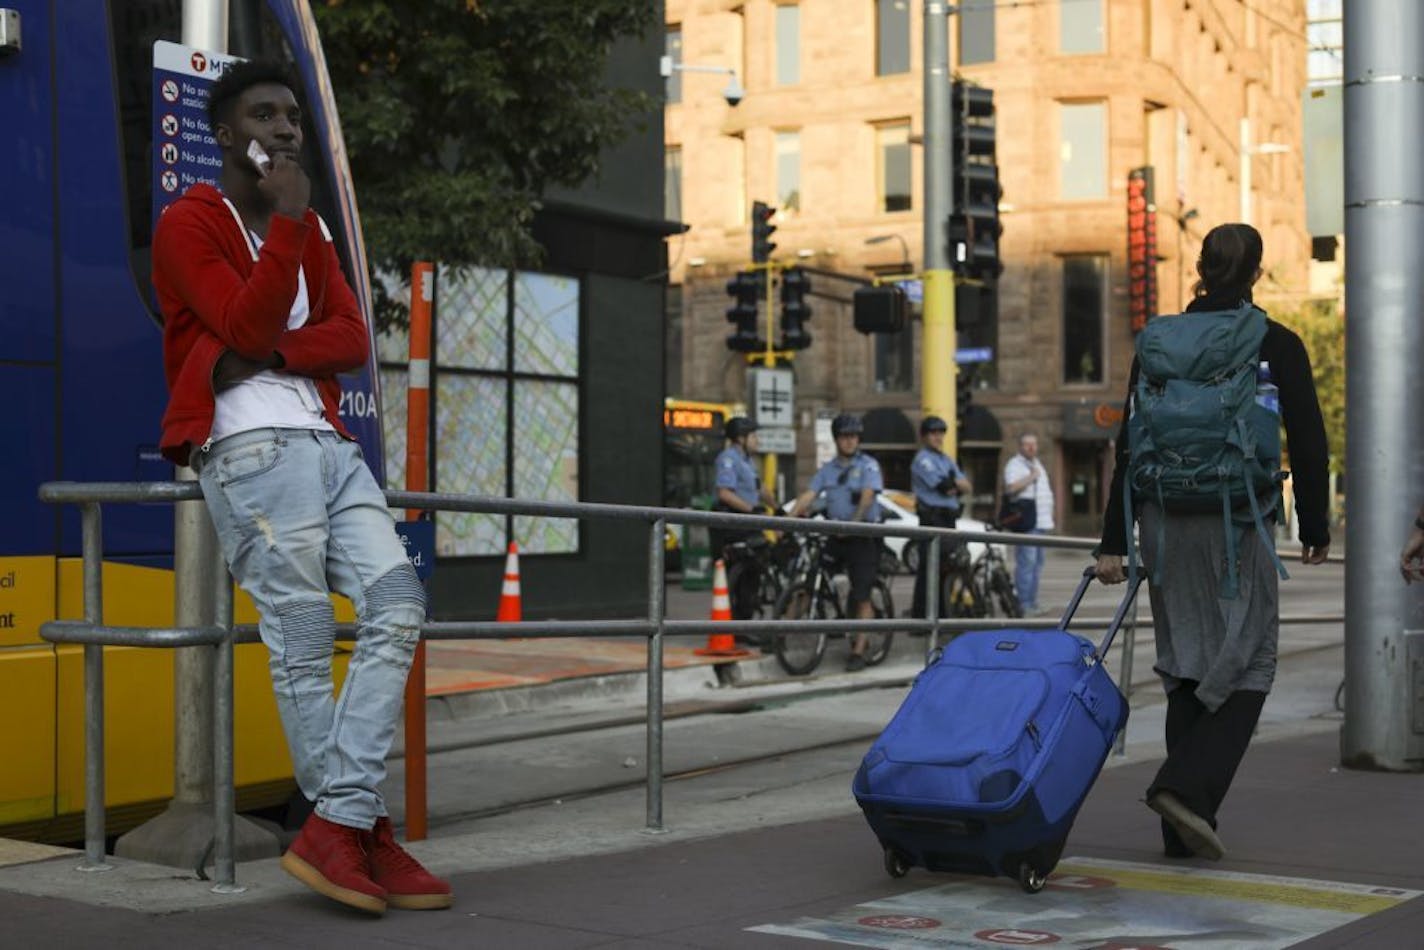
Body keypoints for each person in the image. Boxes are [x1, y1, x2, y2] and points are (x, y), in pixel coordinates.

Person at [152, 60, 450, 915]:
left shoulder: (313, 230)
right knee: (305, 630)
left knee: (397, 604)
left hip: (327, 440)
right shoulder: (189, 224)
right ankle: (358, 829)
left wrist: (276, 353)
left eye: (292, 116)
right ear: (225, 132)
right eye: (265, 114)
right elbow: (243, 318)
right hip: (247, 447)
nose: (286, 129)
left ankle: (339, 823)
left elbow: (351, 336)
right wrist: (283, 227)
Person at [1095, 222, 1331, 861]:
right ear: (1256, 273)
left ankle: (1182, 834)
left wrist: (1113, 540)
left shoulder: (1160, 341)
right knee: (1251, 664)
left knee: (1184, 664)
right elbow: (1307, 438)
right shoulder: (1275, 341)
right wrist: (1315, 523)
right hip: (1238, 521)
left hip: (1164, 522)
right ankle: (1184, 790)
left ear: (1199, 269)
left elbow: (1129, 441)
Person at [792, 413, 884, 671]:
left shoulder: (868, 465)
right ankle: (781, 631)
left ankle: (858, 652)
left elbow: (867, 496)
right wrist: (785, 522)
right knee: (811, 578)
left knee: (862, 593)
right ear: (836, 440)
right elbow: (809, 495)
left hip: (863, 535)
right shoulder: (827, 470)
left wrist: (853, 523)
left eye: (854, 436)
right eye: (845, 437)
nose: (850, 441)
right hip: (837, 535)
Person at [710, 416, 778, 619]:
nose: (757, 440)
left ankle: (746, 616)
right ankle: (741, 621)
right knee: (744, 576)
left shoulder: (748, 461)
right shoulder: (728, 458)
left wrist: (777, 508)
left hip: (750, 521)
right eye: (754, 436)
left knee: (755, 571)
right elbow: (724, 492)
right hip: (736, 523)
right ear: (741, 438)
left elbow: (761, 489)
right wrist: (751, 509)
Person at [909, 415, 972, 619]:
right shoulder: (922, 459)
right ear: (924, 436)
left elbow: (967, 487)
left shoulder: (946, 460)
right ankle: (921, 617)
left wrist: (953, 483)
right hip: (932, 518)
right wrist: (953, 484)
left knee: (948, 567)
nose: (937, 437)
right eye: (933, 433)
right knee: (929, 569)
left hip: (949, 519)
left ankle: (942, 612)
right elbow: (944, 487)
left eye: (940, 433)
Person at [1002, 433, 1056, 615]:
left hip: (1040, 522)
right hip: (1027, 523)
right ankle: (1023, 605)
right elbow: (1011, 488)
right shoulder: (1015, 465)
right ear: (1020, 447)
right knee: (1026, 564)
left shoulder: (1036, 463)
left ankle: (1032, 602)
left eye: (1034, 444)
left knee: (1037, 564)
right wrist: (1031, 477)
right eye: (1027, 445)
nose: (1031, 448)